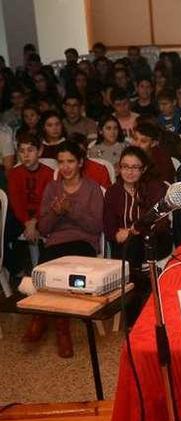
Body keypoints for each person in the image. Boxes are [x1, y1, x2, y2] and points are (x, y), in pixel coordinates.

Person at [26, 141, 104, 357]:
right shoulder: (52, 188)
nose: (66, 167)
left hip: (83, 242)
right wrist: (56, 212)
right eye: (61, 162)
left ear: (80, 162)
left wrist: (70, 211)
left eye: (70, 161)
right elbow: (44, 228)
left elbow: (96, 227)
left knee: (64, 269)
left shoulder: (92, 188)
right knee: (47, 263)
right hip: (56, 242)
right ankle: (43, 318)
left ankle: (60, 329)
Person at [103, 146, 171, 325]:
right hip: (125, 245)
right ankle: (139, 315)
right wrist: (117, 235)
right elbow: (109, 227)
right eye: (125, 166)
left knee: (134, 247)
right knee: (131, 250)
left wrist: (133, 231)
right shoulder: (113, 191)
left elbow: (162, 222)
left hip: (154, 239)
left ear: (144, 169)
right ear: (119, 168)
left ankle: (135, 318)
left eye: (135, 167)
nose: (129, 172)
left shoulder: (155, 187)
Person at [7, 135, 54, 277]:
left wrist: (34, 221)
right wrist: (27, 222)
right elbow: (16, 202)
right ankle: (17, 270)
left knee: (52, 231)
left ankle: (43, 273)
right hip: (21, 217)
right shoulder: (14, 173)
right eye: (21, 151)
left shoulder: (49, 173)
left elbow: (48, 202)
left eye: (30, 150)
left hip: (43, 216)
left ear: (39, 152)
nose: (25, 155)